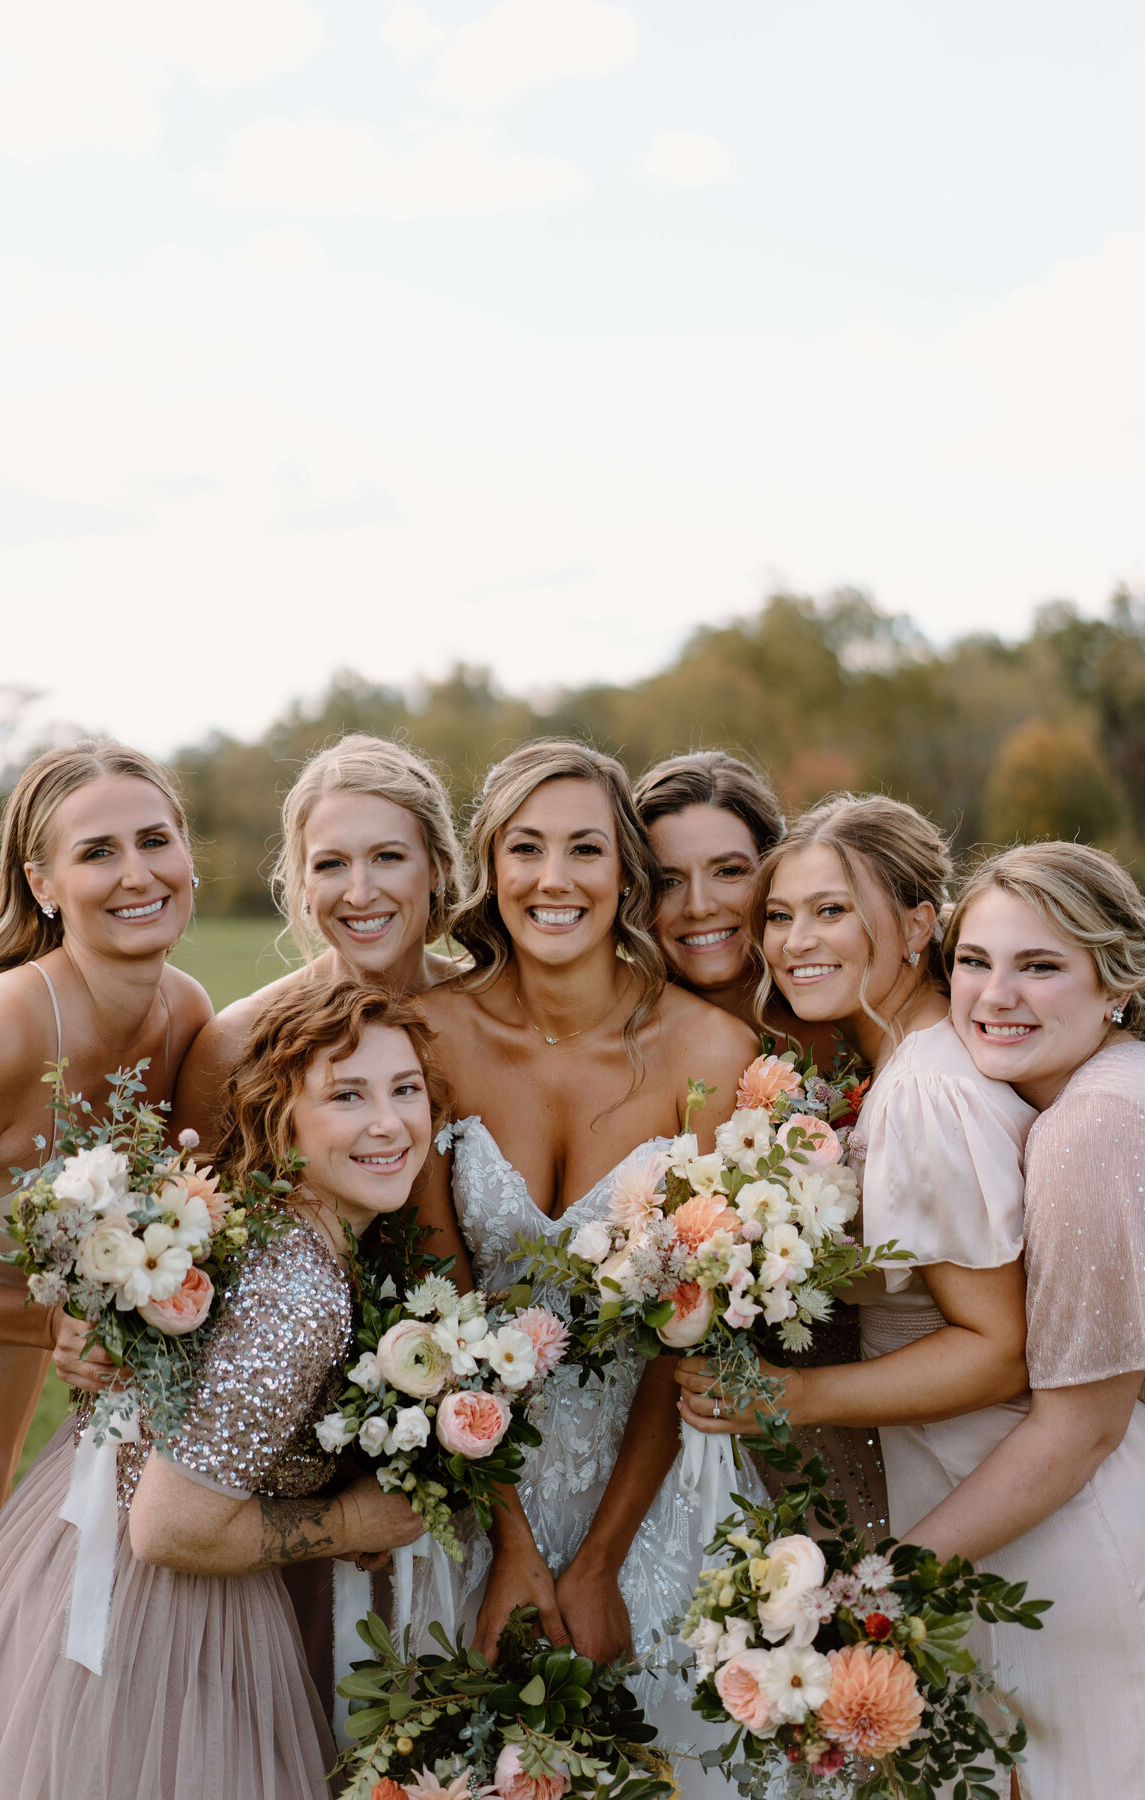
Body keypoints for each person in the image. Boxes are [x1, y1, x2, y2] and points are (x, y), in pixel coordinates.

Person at [0, 978, 433, 1800]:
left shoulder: (273, 1230)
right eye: (348, 1096)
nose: (389, 1122)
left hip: (64, 1554)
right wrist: (350, 1519)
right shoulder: (296, 1300)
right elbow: (171, 1529)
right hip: (151, 1622)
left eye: (407, 1089)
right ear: (282, 1124)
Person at [413, 741, 761, 1793]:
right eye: (526, 847)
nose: (554, 878)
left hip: (655, 1487)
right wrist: (511, 1546)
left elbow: (691, 1327)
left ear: (626, 877)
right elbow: (437, 1313)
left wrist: (602, 1560)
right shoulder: (427, 1037)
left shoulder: (711, 1054)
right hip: (477, 1489)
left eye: (586, 849)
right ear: (490, 866)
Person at [677, 794, 1034, 1562]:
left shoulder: (925, 1089)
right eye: (779, 916)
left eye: (831, 910)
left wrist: (794, 1395)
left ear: (916, 925)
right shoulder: (903, 1068)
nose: (795, 942)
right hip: (946, 1477)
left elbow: (999, 1348)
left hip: (995, 1494)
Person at [904, 842, 1145, 1798]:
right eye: (975, 961)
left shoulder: (1091, 1130)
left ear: (1117, 983)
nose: (995, 995)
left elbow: (1082, 1430)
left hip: (1097, 1546)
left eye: (1040, 966)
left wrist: (883, 1580)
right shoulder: (1108, 1092)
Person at [0, 740, 212, 1606]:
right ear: (43, 883)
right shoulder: (2, 1029)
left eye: (154, 841)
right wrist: (48, 1324)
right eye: (98, 852)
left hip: (3, 1429)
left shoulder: (185, 1014)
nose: (137, 874)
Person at [174, 732, 462, 1147]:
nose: (360, 893)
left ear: (438, 869)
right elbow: (193, 1200)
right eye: (331, 864)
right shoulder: (237, 1039)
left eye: (388, 857)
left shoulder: (495, 1013)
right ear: (304, 884)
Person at [632, 750, 839, 1067]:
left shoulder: (848, 1015)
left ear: (773, 872)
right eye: (668, 881)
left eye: (728, 871)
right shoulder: (615, 1040)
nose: (699, 907)